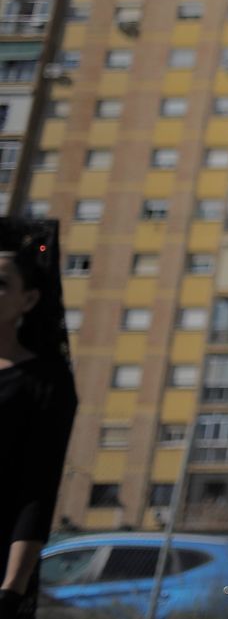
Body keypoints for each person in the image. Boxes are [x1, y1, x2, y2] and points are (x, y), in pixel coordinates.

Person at [0, 223, 78, 619]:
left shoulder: (45, 383)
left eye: (1, 283)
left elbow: (36, 493)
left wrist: (11, 588)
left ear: (29, 299)